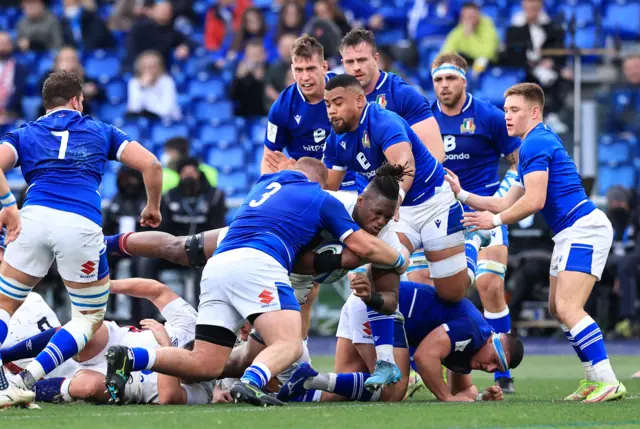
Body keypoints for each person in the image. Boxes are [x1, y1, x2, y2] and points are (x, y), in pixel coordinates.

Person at [103, 158, 407, 407]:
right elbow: (358, 251)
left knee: (211, 362)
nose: (380, 221)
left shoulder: (267, 184)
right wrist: (396, 260)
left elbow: (382, 288)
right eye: (377, 213)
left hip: (227, 262)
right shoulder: (325, 199)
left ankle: (132, 357)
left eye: (386, 216)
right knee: (287, 344)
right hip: (263, 259)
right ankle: (250, 383)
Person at [445, 82, 627, 402]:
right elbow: (504, 202)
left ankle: (608, 379)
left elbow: (535, 201)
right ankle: (592, 377)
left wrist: (495, 222)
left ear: (534, 111)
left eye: (514, 110)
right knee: (558, 308)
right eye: (505, 111)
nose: (507, 117)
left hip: (584, 229)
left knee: (569, 307)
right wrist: (462, 194)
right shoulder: (531, 144)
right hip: (572, 232)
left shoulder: (535, 144)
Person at [0, 70, 163, 408]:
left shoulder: (26, 133)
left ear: (46, 105)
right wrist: (152, 207)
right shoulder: (100, 131)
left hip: (32, 219)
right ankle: (25, 381)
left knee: (4, 306)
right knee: (87, 317)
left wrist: (8, 207)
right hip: (80, 224)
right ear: (77, 100)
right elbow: (152, 165)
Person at [322, 73, 489, 391]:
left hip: (433, 202)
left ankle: (471, 248)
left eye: (338, 102)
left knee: (452, 293)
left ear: (360, 101)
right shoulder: (336, 140)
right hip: (396, 215)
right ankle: (387, 360)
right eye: (328, 104)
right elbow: (326, 187)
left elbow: (405, 166)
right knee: (382, 268)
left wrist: (394, 200)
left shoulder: (385, 122)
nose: (331, 110)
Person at [278, 275, 523, 403]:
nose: (489, 368)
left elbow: (463, 389)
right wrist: (446, 398)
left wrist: (480, 397)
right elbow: (426, 356)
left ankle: (302, 386)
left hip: (364, 304)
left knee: (354, 389)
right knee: (393, 391)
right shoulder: (472, 329)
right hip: (380, 309)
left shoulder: (475, 345)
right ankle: (310, 378)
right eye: (494, 360)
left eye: (495, 369)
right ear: (492, 341)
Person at [431, 53, 521, 393]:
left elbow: (518, 163)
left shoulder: (488, 115)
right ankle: (434, 364)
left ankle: (503, 371)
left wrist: (500, 199)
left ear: (463, 81)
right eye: (438, 80)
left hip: (483, 213)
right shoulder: (425, 119)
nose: (444, 86)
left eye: (450, 79)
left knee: (489, 286)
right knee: (435, 289)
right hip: (442, 216)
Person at [3, 278, 217, 406]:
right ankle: (8, 356)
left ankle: (16, 389)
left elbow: (169, 396)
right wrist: (107, 286)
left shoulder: (203, 391)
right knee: (88, 328)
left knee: (89, 388)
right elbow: (157, 290)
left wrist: (166, 347)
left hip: (124, 384)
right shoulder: (192, 322)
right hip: (115, 342)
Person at [263, 35, 356, 191]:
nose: (305, 77)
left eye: (311, 68)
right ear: (292, 70)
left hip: (350, 185)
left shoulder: (347, 91)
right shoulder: (282, 106)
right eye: (299, 70)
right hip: (306, 187)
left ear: (324, 67)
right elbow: (269, 159)